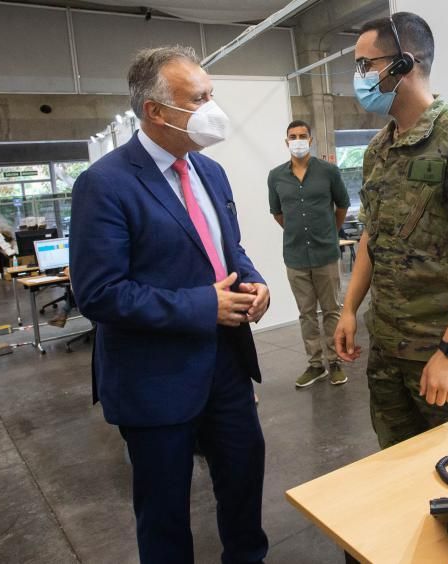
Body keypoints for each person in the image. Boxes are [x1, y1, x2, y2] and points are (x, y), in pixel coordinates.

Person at [70, 45, 270, 563]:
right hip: (154, 380)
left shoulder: (210, 172)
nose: (212, 109)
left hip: (225, 366)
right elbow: (99, 292)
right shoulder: (105, 184)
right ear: (156, 111)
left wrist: (253, 281)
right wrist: (204, 306)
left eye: (211, 95)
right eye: (198, 99)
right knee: (163, 514)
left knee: (245, 487)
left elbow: (228, 250)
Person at [334, 13, 448, 449]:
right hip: (389, 352)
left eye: (365, 65)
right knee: (399, 476)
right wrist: (349, 309)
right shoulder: (379, 149)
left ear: (402, 65)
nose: (359, 78)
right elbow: (371, 239)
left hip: (446, 355)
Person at [267, 120, 351, 388]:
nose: (298, 140)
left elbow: (342, 205)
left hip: (325, 253)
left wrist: (330, 232)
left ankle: (335, 361)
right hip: (295, 256)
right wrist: (297, 233)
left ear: (311, 140)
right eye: (293, 136)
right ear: (286, 141)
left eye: (303, 135)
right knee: (306, 313)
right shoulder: (276, 176)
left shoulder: (328, 172)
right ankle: (315, 364)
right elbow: (277, 213)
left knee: (331, 310)